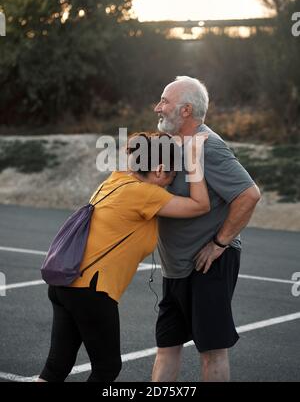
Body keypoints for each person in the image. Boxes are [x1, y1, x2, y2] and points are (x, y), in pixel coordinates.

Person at [38, 131, 210, 382]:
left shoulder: (115, 179)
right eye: (172, 177)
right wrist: (194, 158)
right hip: (91, 291)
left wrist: (169, 141)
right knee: (107, 368)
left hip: (65, 285)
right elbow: (201, 205)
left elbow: (145, 149)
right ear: (160, 170)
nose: (171, 185)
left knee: (56, 366)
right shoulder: (146, 194)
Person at [152, 76, 261, 382]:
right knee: (167, 346)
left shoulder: (209, 147)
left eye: (164, 101)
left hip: (207, 264)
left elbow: (249, 195)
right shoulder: (171, 145)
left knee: (212, 350)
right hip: (175, 269)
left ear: (185, 110)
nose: (158, 107)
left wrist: (220, 243)